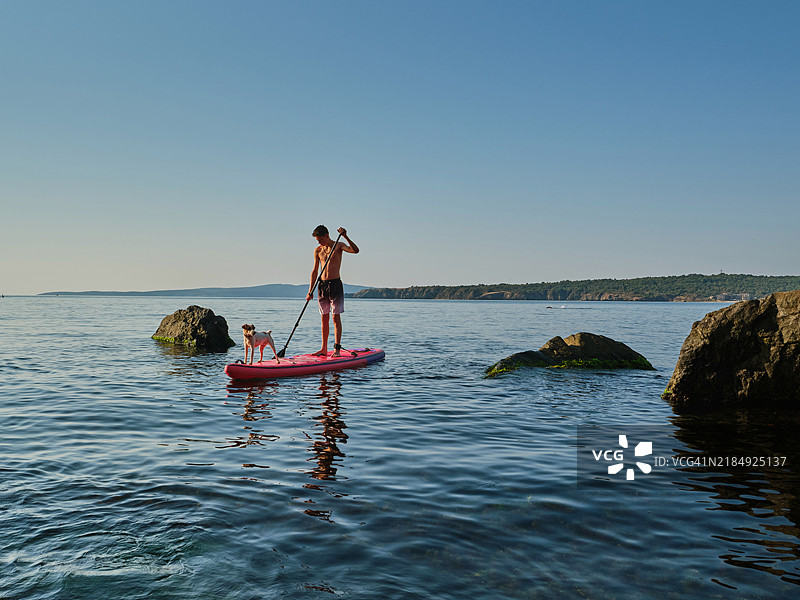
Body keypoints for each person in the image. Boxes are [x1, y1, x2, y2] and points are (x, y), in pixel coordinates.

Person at [307, 225, 359, 357]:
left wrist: (346, 236)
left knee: (335, 317)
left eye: (320, 239)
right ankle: (323, 348)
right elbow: (314, 271)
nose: (319, 242)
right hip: (322, 286)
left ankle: (336, 349)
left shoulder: (338, 245)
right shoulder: (318, 250)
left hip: (335, 284)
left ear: (327, 235)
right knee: (324, 318)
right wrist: (310, 291)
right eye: (317, 240)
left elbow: (355, 251)